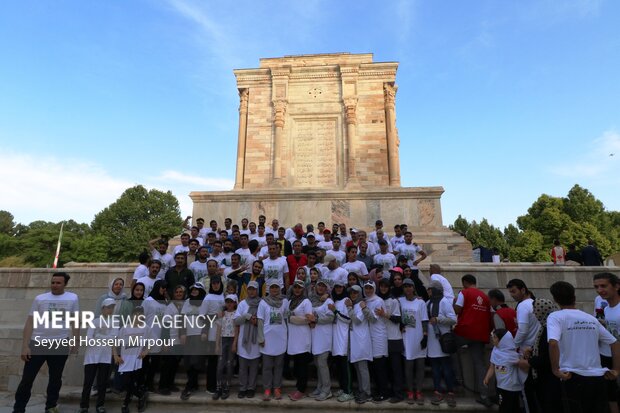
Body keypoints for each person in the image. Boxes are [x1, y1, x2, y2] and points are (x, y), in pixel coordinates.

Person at [547, 281, 620, 413]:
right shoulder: (590, 318)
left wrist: (555, 369)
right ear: (574, 297)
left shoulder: (555, 317)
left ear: (555, 299)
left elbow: (553, 342)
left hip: (573, 376)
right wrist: (616, 370)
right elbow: (614, 342)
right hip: (598, 377)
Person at [14, 272, 79, 413]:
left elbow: (75, 321)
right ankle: (19, 409)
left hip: (60, 343)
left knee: (55, 379)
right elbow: (30, 322)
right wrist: (25, 346)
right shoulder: (40, 299)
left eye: (58, 283)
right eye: (53, 282)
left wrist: (75, 341)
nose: (54, 285)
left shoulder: (72, 298)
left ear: (65, 284)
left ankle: (51, 407)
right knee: (27, 379)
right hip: (38, 343)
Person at [517, 298, 562, 413]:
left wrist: (529, 362)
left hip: (549, 377)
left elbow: (547, 356)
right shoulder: (545, 326)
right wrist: (532, 350)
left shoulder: (549, 328)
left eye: (536, 310)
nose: (534, 313)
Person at [454, 274, 492, 408]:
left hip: (465, 331)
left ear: (465, 282)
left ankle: (456, 382)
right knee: (479, 364)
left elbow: (457, 310)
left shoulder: (464, 292)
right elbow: (491, 314)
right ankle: (484, 395)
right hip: (480, 334)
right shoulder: (486, 297)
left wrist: (454, 302)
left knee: (449, 348)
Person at [506, 278, 540, 413]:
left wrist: (513, 346)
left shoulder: (523, 305)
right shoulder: (534, 303)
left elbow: (523, 330)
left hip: (526, 351)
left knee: (526, 390)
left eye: (514, 291)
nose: (512, 295)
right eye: (510, 292)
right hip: (536, 349)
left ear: (523, 289)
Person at [79, 298, 118, 413]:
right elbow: (89, 339)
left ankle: (100, 405)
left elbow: (113, 338)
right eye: (108, 307)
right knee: (88, 383)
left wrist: (98, 336)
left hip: (105, 357)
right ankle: (84, 406)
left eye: (112, 307)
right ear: (102, 308)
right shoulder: (95, 322)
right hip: (91, 357)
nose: (110, 310)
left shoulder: (114, 322)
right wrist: (104, 338)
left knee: (102, 383)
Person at [425, 280, 457, 407]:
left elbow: (453, 319)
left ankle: (450, 392)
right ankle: (437, 391)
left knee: (447, 369)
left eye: (430, 289)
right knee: (435, 369)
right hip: (432, 341)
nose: (428, 291)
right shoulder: (428, 303)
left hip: (443, 340)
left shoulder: (444, 302)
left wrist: (438, 319)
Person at [593, 272, 620, 413]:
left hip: (617, 361)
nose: (599, 290)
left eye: (603, 286)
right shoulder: (607, 309)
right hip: (606, 357)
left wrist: (617, 368)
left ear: (616, 286)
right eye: (596, 287)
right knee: (611, 396)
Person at [258, 279, 288, 401]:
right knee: (267, 366)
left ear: (280, 288)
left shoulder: (285, 301)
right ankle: (267, 389)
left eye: (276, 287)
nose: (274, 290)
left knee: (279, 365)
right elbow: (260, 320)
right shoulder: (263, 302)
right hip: (267, 339)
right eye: (272, 287)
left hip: (281, 338)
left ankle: (277, 388)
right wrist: (261, 337)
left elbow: (286, 318)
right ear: (268, 289)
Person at [483, 329, 527, 413]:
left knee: (512, 408)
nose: (493, 339)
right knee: (503, 407)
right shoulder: (495, 351)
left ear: (503, 340)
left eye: (495, 337)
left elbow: (524, 365)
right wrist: (487, 378)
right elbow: (492, 366)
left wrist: (524, 357)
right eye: (493, 337)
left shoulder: (512, 354)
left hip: (512, 388)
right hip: (501, 386)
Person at [399, 278, 428, 405]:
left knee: (420, 366)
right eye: (405, 286)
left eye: (409, 286)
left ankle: (419, 391)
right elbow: (396, 316)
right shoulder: (399, 301)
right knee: (408, 367)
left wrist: (425, 335)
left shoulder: (420, 303)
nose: (407, 289)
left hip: (419, 337)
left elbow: (424, 320)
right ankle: (410, 391)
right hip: (406, 337)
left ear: (413, 287)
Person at [114, 305, 148, 413]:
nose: (138, 316)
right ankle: (141, 394)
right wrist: (116, 356)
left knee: (132, 382)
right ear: (132, 315)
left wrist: (146, 351)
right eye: (136, 313)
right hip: (124, 361)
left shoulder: (146, 328)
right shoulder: (125, 328)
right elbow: (115, 343)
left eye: (140, 314)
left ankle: (125, 404)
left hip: (137, 361)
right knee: (125, 383)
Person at [376, 278, 405, 403]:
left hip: (394, 338)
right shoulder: (377, 300)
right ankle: (385, 392)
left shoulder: (393, 300)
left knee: (396, 369)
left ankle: (398, 394)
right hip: (382, 338)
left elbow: (398, 319)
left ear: (389, 288)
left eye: (385, 286)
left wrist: (385, 314)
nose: (383, 288)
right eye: (381, 286)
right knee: (385, 369)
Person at [286, 279, 314, 401]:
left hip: (303, 338)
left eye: (300, 287)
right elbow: (287, 316)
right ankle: (298, 388)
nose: (297, 289)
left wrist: (292, 318)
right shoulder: (290, 301)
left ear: (303, 289)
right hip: (293, 338)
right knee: (297, 365)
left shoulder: (306, 301)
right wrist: (294, 318)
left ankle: (301, 390)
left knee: (302, 366)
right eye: (295, 287)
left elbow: (309, 319)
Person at [234, 280, 262, 399]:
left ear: (257, 290)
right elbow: (236, 321)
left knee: (254, 367)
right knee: (243, 367)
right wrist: (247, 316)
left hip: (256, 340)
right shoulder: (242, 304)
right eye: (249, 289)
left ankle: (251, 388)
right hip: (243, 340)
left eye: (254, 289)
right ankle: (242, 387)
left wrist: (257, 322)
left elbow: (263, 321)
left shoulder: (262, 303)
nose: (251, 291)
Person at [363, 281, 390, 402]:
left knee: (380, 366)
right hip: (369, 336)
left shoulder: (378, 301)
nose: (368, 290)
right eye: (366, 288)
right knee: (374, 366)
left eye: (370, 288)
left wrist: (364, 308)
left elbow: (374, 319)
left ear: (374, 288)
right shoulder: (366, 300)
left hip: (379, 336)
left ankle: (384, 392)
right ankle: (378, 390)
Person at [328, 280, 354, 402]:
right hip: (335, 337)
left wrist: (335, 311)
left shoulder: (346, 301)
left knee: (344, 365)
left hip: (343, 337)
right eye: (336, 287)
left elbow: (348, 319)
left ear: (344, 288)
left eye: (340, 287)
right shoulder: (335, 301)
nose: (338, 289)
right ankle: (343, 388)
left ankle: (348, 391)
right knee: (338, 365)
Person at [309, 280, 335, 401]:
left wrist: (316, 320)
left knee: (322, 363)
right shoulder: (312, 301)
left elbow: (330, 317)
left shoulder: (328, 301)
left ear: (327, 289)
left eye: (323, 286)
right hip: (315, 336)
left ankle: (327, 389)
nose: (320, 287)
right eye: (319, 285)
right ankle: (319, 387)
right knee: (317, 363)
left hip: (324, 337)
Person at [158, 285, 186, 395]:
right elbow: (165, 326)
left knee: (175, 364)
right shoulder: (169, 307)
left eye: (181, 292)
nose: (179, 294)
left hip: (180, 341)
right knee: (167, 365)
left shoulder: (184, 306)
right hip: (171, 339)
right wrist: (165, 342)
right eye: (177, 292)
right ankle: (162, 386)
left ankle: (170, 383)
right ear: (174, 294)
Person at [141, 280, 168, 392]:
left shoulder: (165, 302)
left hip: (158, 337)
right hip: (147, 336)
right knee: (144, 362)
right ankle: (141, 384)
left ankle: (149, 383)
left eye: (165, 288)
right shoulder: (148, 301)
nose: (164, 290)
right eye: (162, 288)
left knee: (155, 363)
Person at [213, 293, 237, 400]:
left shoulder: (236, 314)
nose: (229, 304)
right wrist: (217, 344)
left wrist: (235, 343)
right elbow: (218, 330)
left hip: (231, 339)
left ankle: (227, 387)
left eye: (231, 302)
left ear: (235, 303)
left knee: (229, 364)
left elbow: (237, 330)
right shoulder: (222, 314)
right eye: (227, 302)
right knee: (220, 365)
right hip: (223, 340)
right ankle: (218, 388)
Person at [203, 277, 225, 394]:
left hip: (224, 333)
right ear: (211, 285)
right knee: (212, 362)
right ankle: (210, 386)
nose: (215, 285)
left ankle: (219, 384)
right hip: (212, 333)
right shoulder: (208, 297)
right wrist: (216, 316)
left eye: (217, 283)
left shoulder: (223, 296)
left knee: (221, 362)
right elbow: (202, 316)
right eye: (213, 283)